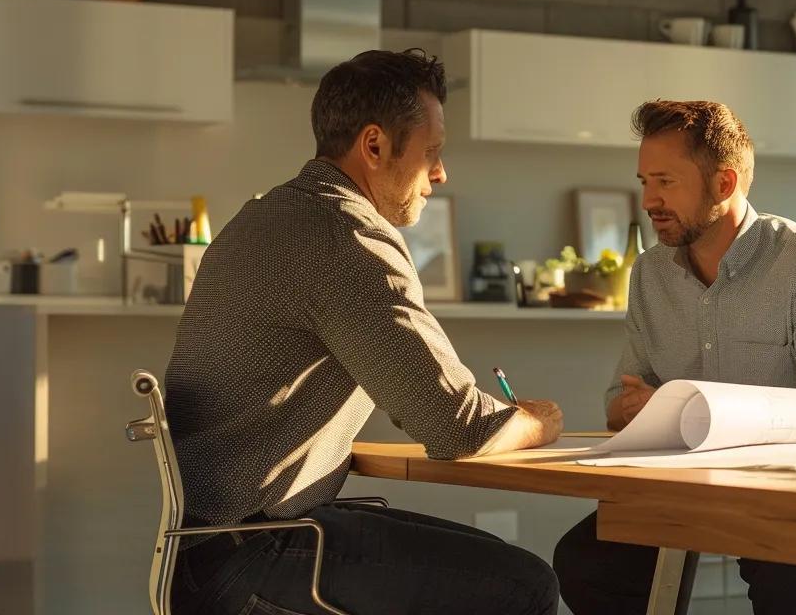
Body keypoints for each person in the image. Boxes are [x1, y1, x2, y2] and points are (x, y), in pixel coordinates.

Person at [164, 49, 563, 615]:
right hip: (253, 551)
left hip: (209, 545)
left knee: (493, 562)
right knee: (523, 588)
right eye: (433, 153)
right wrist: (537, 421)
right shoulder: (345, 235)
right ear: (374, 145)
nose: (441, 174)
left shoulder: (265, 214)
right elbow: (456, 427)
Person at [552, 100, 796, 614]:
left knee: (785, 570)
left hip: (783, 493)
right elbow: (619, 403)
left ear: (724, 184)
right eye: (644, 182)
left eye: (665, 182)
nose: (649, 200)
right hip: (680, 491)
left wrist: (678, 409)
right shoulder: (650, 275)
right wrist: (645, 408)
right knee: (586, 561)